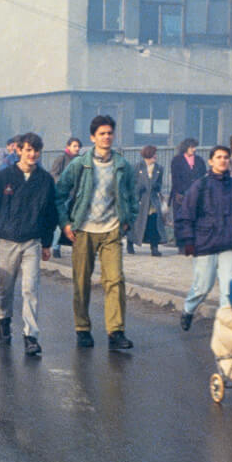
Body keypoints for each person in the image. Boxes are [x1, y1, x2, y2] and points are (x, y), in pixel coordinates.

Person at [54, 115, 138, 350]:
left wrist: (128, 220)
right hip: (83, 230)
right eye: (101, 133)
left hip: (111, 229)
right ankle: (82, 329)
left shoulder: (121, 164)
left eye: (109, 133)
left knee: (115, 280)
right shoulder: (80, 164)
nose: (106, 137)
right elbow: (59, 193)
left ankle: (116, 332)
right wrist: (65, 224)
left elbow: (132, 195)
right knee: (81, 281)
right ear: (93, 137)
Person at [0, 133, 60, 357]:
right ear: (18, 151)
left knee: (30, 289)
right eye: (28, 150)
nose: (32, 154)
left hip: (32, 242)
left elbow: (50, 214)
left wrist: (46, 242)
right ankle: (4, 322)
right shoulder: (4, 177)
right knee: (6, 289)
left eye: (36, 150)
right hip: (7, 241)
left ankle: (31, 336)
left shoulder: (44, 180)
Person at [175, 145, 232, 331]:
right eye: (218, 157)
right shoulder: (200, 185)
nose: (223, 160)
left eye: (226, 157)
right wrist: (188, 241)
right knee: (203, 286)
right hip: (205, 244)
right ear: (211, 161)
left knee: (228, 290)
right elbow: (185, 214)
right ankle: (188, 309)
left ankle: (224, 327)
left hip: (229, 244)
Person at [48, 136, 83, 260]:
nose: (77, 148)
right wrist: (64, 182)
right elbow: (53, 174)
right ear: (68, 146)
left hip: (76, 196)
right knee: (60, 222)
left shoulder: (81, 160)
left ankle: (76, 246)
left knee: (75, 221)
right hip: (63, 195)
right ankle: (56, 247)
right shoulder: (61, 159)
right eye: (74, 146)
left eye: (78, 146)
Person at [127, 145, 165, 256]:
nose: (156, 156)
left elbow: (160, 185)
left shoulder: (159, 169)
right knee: (136, 223)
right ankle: (130, 242)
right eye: (154, 154)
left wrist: (156, 186)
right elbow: (132, 184)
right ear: (148, 154)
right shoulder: (137, 167)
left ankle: (154, 247)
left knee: (154, 223)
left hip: (152, 201)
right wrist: (139, 189)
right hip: (140, 201)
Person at [168, 138, 206, 224]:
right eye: (192, 147)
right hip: (181, 195)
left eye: (195, 147)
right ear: (186, 147)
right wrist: (181, 192)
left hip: (197, 194)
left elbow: (203, 176)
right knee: (181, 218)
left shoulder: (200, 160)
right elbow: (175, 178)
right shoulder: (176, 160)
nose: (194, 149)